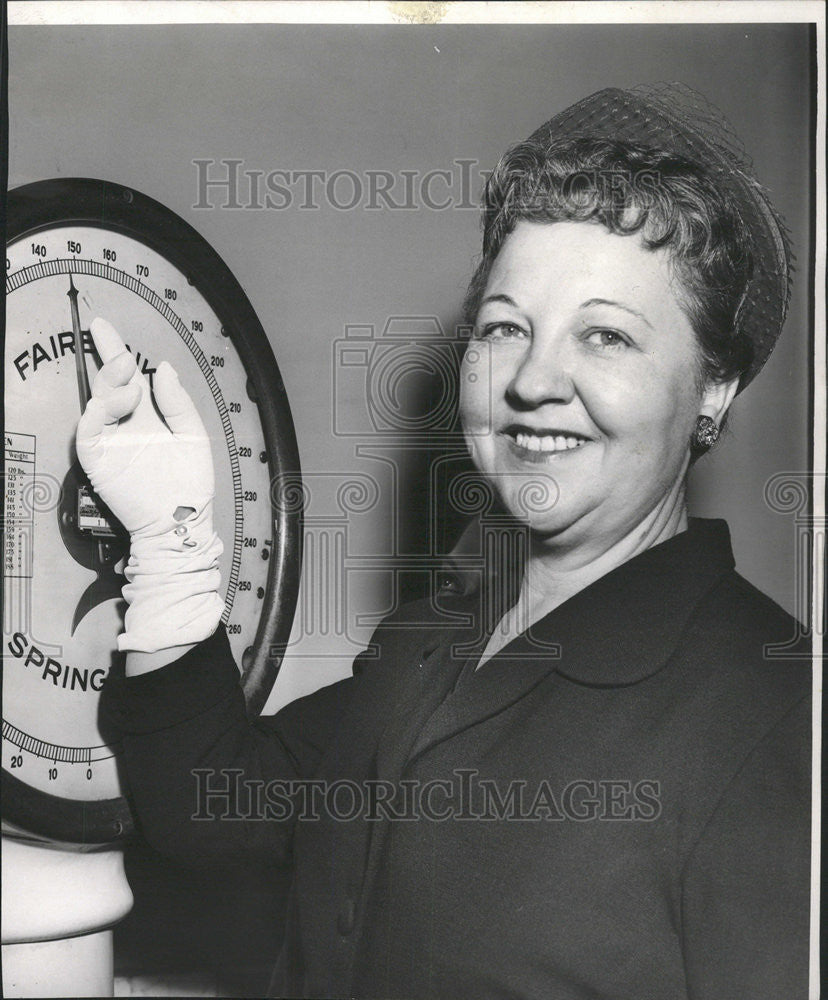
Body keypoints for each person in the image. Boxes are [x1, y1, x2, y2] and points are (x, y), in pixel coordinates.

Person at [78, 84, 811, 999]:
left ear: (714, 387)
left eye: (607, 336)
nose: (535, 380)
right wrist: (172, 530)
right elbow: (210, 805)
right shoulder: (439, 638)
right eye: (506, 327)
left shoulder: (778, 714)